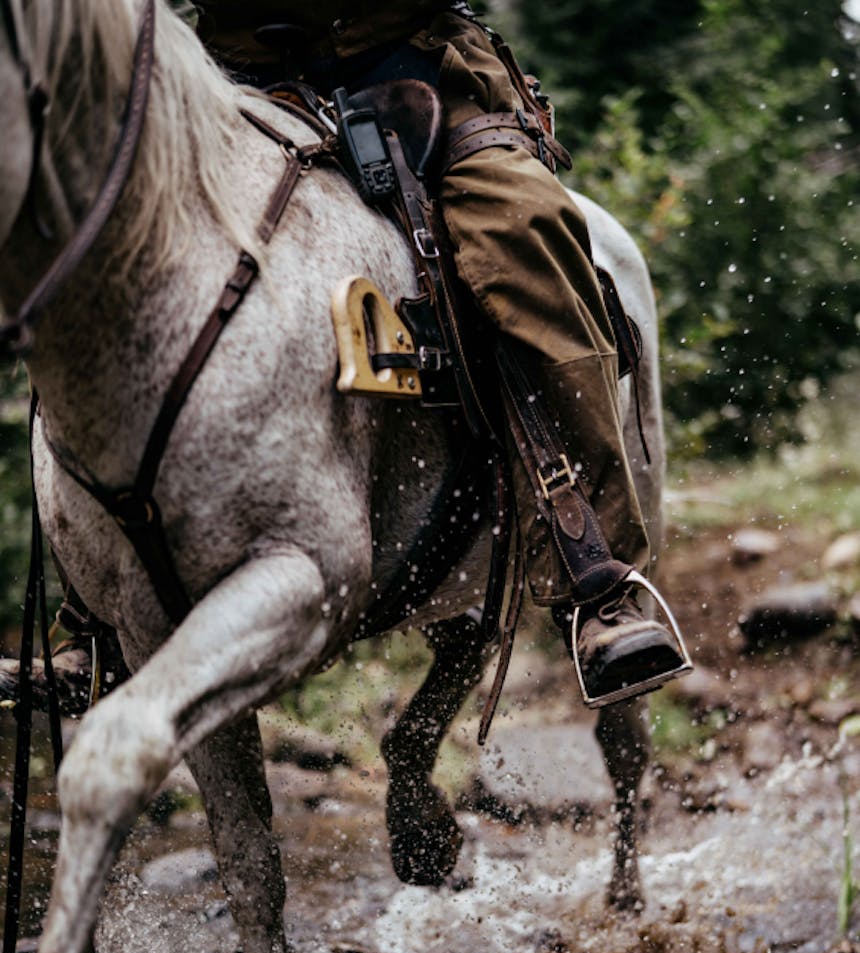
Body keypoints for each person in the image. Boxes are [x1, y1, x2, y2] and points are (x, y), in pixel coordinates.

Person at [0, 1, 688, 715]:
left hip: (405, 61)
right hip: (228, 80)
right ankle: (96, 620)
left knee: (525, 228)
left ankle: (598, 575)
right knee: (89, 252)